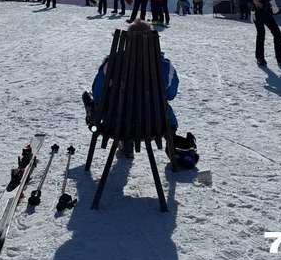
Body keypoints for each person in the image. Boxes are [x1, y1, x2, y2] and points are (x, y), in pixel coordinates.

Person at [82, 20, 198, 165]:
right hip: (155, 125)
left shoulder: (111, 63)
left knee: (95, 103)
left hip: (116, 124)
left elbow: (98, 95)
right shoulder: (165, 67)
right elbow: (171, 95)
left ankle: (124, 141)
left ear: (127, 41)